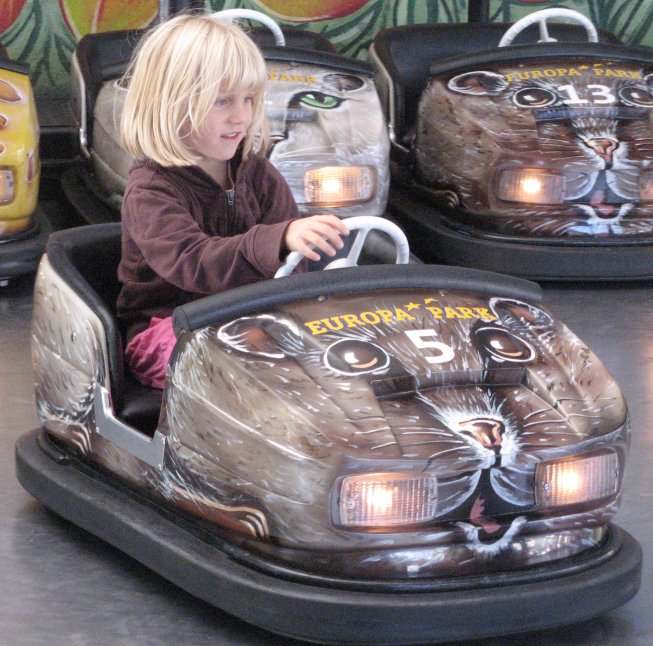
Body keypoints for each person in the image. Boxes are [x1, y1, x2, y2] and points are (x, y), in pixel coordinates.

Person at [116, 13, 349, 389]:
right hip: (169, 325)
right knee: (247, 363)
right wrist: (278, 238)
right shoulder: (150, 190)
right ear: (170, 103)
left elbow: (292, 270)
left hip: (250, 318)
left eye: (249, 99)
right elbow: (194, 262)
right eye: (222, 101)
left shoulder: (258, 174)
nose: (241, 116)